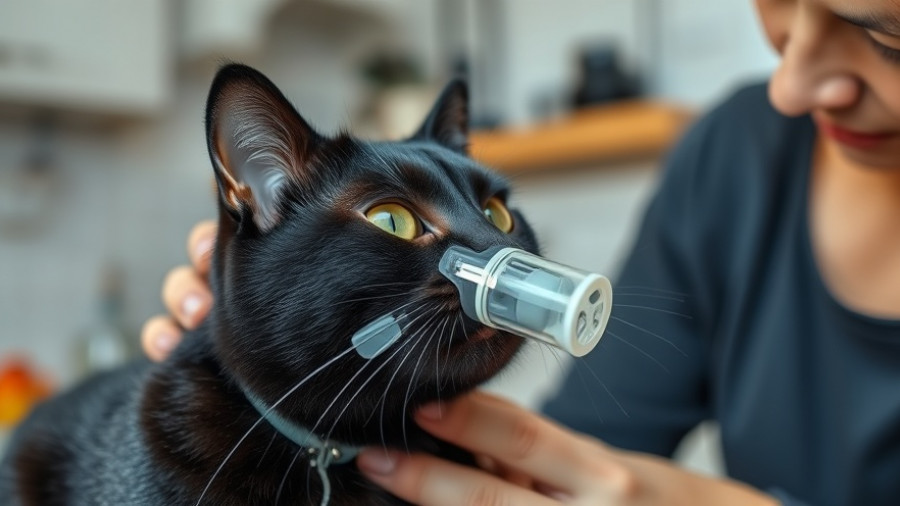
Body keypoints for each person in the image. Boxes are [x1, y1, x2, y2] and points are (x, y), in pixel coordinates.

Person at [141, 0, 900, 504]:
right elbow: (585, 459)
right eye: (780, 1)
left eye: (884, 35)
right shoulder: (734, 158)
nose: (792, 86)